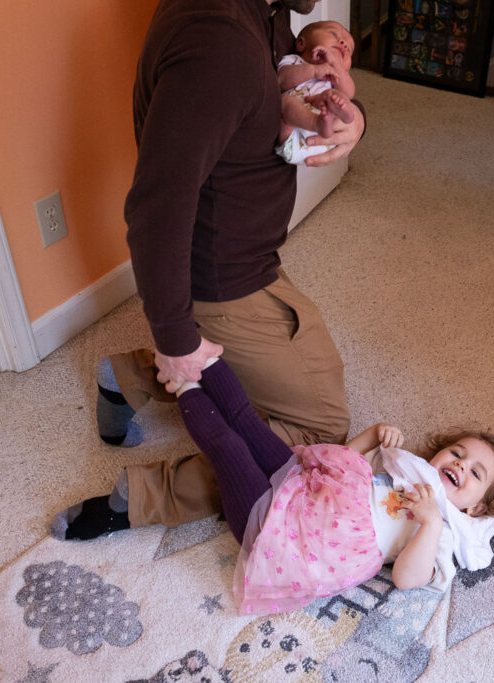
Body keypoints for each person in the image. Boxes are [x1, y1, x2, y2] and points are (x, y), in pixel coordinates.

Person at [95, 0, 366, 527]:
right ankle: (146, 496)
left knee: (308, 365)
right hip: (224, 282)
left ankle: (127, 377)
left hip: (248, 258)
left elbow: (288, 82)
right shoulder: (219, 46)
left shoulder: (262, 11)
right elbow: (157, 207)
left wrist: (353, 122)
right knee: (322, 424)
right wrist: (175, 343)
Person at [53, 359, 494, 615]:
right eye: (457, 453)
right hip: (306, 486)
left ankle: (185, 387)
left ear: (476, 508)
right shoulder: (406, 470)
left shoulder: (451, 533)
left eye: (475, 473)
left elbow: (406, 579)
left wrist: (431, 523)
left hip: (289, 539)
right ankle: (202, 357)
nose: (461, 464)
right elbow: (343, 463)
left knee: (229, 449)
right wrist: (376, 434)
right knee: (251, 428)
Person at [276, 21, 357, 165]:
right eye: (334, 34)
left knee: (336, 96)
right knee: (285, 103)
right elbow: (282, 80)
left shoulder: (338, 76)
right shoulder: (293, 61)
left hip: (327, 139)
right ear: (301, 44)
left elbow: (349, 92)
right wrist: (313, 71)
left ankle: (346, 115)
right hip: (292, 138)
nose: (344, 44)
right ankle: (315, 122)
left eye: (349, 49)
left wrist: (335, 64)